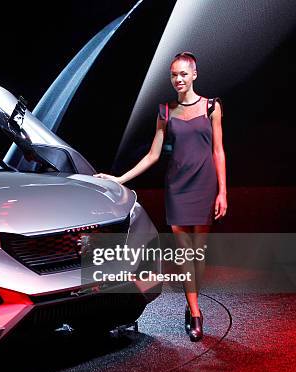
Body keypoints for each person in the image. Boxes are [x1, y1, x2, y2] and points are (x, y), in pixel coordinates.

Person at [94, 52, 227, 341]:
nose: (178, 79)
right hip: (177, 189)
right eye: (173, 75)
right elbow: (153, 155)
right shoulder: (165, 111)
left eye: (183, 74)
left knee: (198, 255)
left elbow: (218, 151)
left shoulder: (212, 107)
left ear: (194, 74)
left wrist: (223, 193)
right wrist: (119, 178)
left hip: (204, 187)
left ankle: (191, 299)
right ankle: (195, 312)